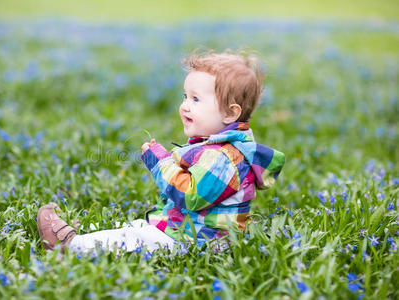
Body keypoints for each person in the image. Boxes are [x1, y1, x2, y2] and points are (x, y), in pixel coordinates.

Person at [37, 50, 285, 255]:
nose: (185, 105)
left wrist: (161, 162)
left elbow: (190, 196)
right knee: (137, 227)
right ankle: (88, 233)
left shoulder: (225, 159)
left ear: (230, 113)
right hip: (187, 231)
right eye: (185, 96)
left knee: (135, 238)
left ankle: (70, 245)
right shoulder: (214, 147)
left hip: (200, 242)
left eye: (196, 99)